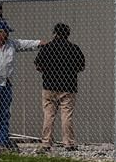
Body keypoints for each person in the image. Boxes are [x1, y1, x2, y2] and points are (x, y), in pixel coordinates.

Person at [0, 19, 46, 152]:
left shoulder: (10, 44)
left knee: (4, 114)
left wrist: (39, 43)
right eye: (5, 32)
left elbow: (23, 43)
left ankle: (2, 143)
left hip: (6, 84)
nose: (7, 35)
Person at [34, 23, 85, 152]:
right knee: (66, 115)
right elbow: (81, 67)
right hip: (68, 86)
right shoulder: (74, 49)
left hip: (49, 86)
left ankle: (46, 143)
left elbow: (38, 66)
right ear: (68, 34)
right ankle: (69, 143)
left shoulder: (47, 48)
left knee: (49, 115)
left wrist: (49, 71)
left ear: (55, 33)